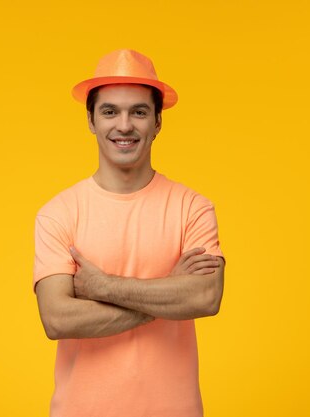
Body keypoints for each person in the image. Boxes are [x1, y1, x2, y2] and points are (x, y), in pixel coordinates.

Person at [33, 49, 225, 417]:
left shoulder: (193, 207)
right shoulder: (58, 213)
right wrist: (169, 291)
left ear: (157, 122)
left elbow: (205, 297)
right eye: (110, 112)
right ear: (90, 120)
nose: (124, 125)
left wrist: (103, 287)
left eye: (138, 111)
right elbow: (57, 319)